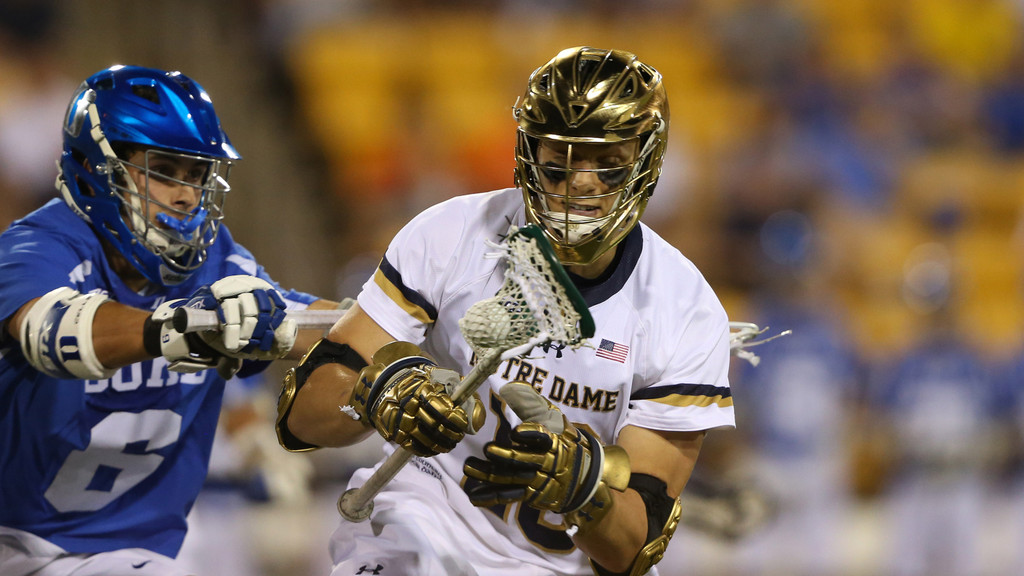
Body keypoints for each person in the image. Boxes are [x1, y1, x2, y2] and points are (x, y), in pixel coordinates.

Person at [278, 46, 735, 576]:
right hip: (421, 523)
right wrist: (379, 395)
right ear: (529, 151)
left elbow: (633, 548)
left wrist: (579, 484)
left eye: (606, 160)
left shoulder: (688, 310)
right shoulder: (450, 235)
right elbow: (302, 420)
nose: (582, 181)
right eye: (562, 156)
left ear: (645, 160)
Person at [0, 64, 338, 576]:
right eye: (164, 171)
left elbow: (317, 323)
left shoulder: (214, 263)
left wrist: (407, 335)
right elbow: (52, 332)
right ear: (97, 167)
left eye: (196, 175)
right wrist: (174, 328)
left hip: (132, 549)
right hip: (15, 539)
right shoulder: (36, 247)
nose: (185, 195)